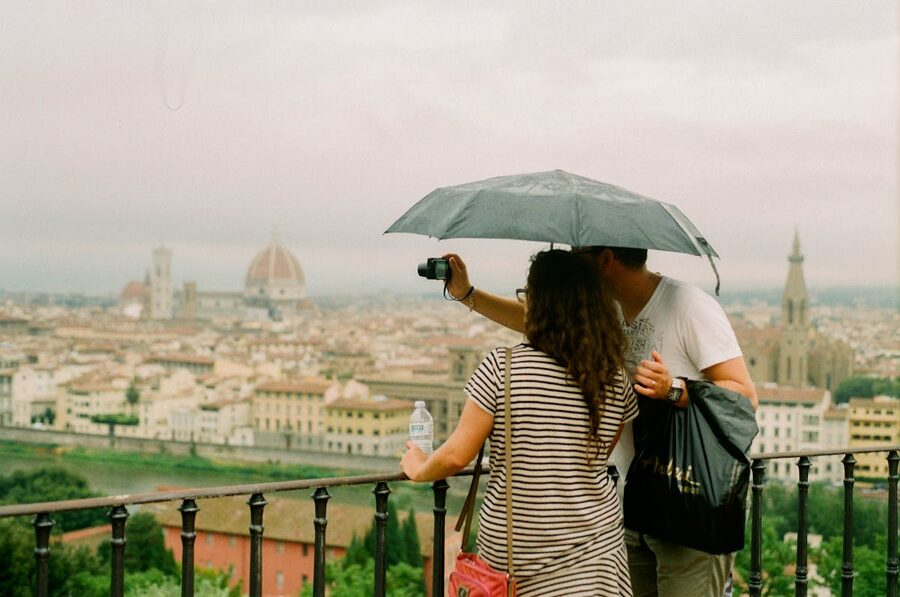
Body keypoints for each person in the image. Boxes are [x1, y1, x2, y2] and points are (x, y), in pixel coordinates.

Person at [438, 246, 758, 597]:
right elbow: (543, 318)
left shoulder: (689, 307)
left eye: (578, 254)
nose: (571, 260)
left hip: (688, 504)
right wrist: (467, 294)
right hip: (629, 505)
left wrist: (674, 390)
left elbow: (744, 395)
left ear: (605, 259)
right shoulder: (605, 310)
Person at [401, 249, 638, 596]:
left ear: (538, 304)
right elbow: (601, 454)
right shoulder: (615, 378)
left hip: (522, 569)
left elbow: (456, 456)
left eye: (526, 294)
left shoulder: (504, 367)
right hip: (599, 557)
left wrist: (419, 468)